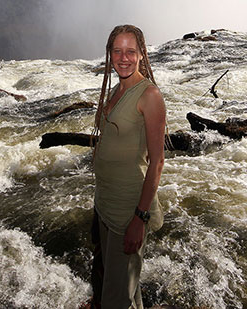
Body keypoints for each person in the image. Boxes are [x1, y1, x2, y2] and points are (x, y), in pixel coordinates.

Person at [90, 24, 166, 309]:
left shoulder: (149, 95)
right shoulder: (116, 89)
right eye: (117, 51)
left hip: (128, 210)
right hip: (106, 205)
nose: (124, 58)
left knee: (115, 299)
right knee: (126, 292)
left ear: (142, 54)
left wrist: (139, 219)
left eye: (130, 51)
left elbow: (157, 161)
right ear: (109, 54)